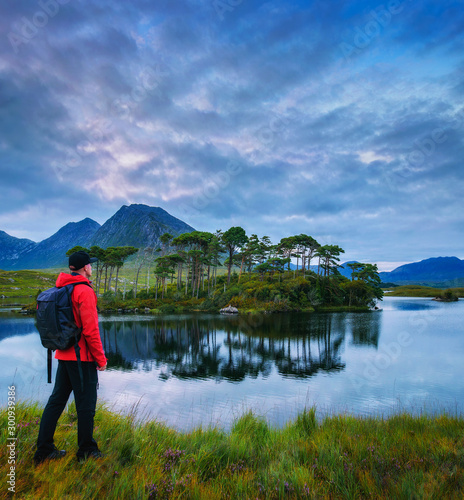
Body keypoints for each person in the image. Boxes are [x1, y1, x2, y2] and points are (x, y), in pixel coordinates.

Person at [34, 250, 107, 465]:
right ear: (85, 267)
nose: (91, 267)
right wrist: (100, 359)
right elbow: (91, 330)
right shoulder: (83, 291)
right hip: (82, 358)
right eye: (90, 265)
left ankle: (44, 450)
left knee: (56, 402)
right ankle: (86, 451)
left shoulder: (63, 287)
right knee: (86, 406)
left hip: (63, 354)